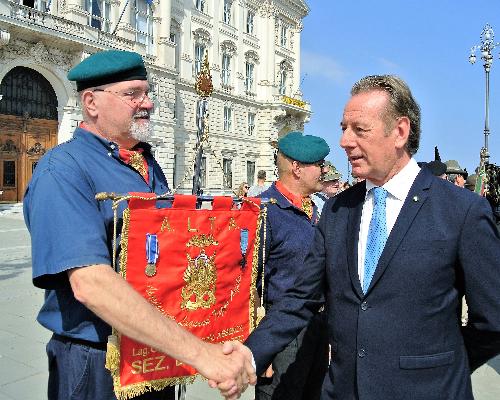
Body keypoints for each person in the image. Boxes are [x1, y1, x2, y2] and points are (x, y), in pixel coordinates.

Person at [219, 75, 500, 400]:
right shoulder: (338, 211)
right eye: (343, 128)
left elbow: (492, 321)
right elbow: (300, 299)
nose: (344, 141)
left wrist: (437, 367)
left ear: (399, 132)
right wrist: (250, 353)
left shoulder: (461, 211)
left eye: (359, 130)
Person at [23, 50, 255, 400]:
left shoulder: (147, 165)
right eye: (132, 94)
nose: (146, 103)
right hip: (99, 360)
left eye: (147, 93)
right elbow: (91, 285)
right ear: (91, 102)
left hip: (156, 353)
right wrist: (201, 354)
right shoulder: (64, 169)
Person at [253, 131, 330, 400]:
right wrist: (261, 352)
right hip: (282, 330)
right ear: (297, 168)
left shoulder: (316, 208)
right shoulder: (262, 210)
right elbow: (249, 283)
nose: (325, 171)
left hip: (316, 326)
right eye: (319, 165)